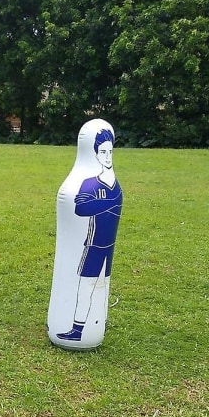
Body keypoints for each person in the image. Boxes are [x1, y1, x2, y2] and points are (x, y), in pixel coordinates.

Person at [57, 128, 122, 341]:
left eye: (110, 152)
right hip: (94, 245)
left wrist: (104, 204)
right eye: (103, 152)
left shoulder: (115, 186)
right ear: (95, 154)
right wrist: (109, 204)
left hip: (109, 245)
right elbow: (81, 208)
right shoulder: (89, 183)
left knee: (102, 285)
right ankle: (77, 330)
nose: (107, 157)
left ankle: (98, 323)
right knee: (86, 285)